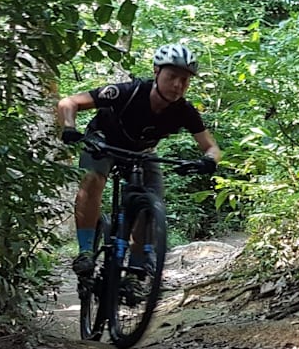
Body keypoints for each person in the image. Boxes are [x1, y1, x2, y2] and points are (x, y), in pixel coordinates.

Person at [57, 42, 222, 276]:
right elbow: (69, 102)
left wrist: (208, 161)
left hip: (142, 153)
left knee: (152, 201)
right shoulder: (128, 92)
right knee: (93, 179)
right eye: (172, 76)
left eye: (184, 80)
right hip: (103, 142)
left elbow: (211, 146)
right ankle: (85, 251)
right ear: (156, 71)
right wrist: (69, 127)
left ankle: (136, 266)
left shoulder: (185, 111)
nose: (177, 85)